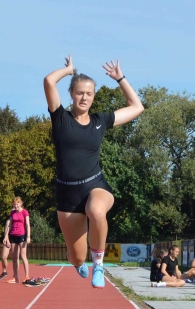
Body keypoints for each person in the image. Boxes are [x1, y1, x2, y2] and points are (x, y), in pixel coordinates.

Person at [44, 55, 144, 288]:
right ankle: (79, 261)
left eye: (89, 93)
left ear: (93, 97)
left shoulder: (101, 121)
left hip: (94, 185)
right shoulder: (60, 118)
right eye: (80, 92)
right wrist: (69, 70)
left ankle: (99, 264)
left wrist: (120, 78)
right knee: (76, 256)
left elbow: (137, 107)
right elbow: (49, 81)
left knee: (97, 211)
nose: (84, 97)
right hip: (67, 195)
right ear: (71, 94)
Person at [4, 197, 33, 286]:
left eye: (17, 204)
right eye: (14, 204)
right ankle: (15, 277)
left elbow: (27, 225)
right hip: (13, 235)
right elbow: (10, 225)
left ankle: (27, 275)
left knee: (23, 256)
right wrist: (6, 236)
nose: (16, 205)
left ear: (20, 203)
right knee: (14, 257)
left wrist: (28, 236)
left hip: (22, 235)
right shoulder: (12, 212)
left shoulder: (25, 212)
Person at [0, 215, 12, 280]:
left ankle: (15, 275)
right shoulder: (8, 221)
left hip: (17, 239)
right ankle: (4, 271)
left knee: (16, 258)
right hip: (8, 240)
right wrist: (7, 239)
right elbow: (6, 232)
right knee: (3, 257)